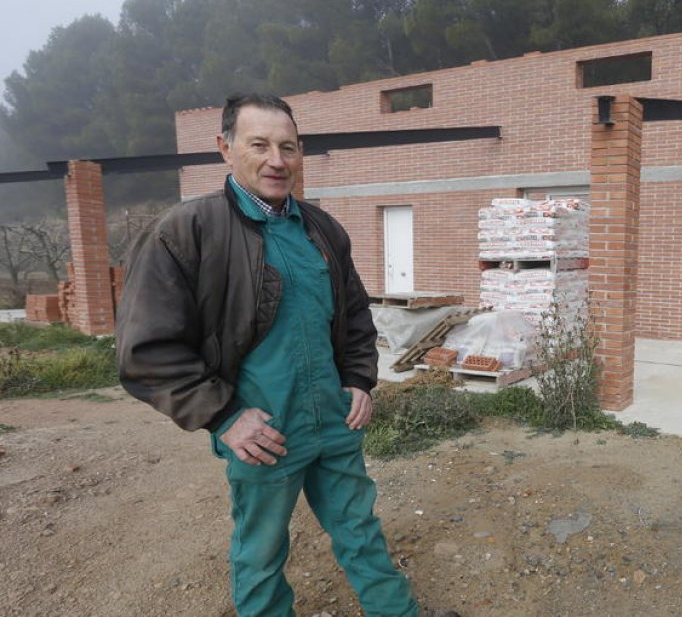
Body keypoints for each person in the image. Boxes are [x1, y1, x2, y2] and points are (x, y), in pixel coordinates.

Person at [117, 93, 454, 617]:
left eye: (288, 147)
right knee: (262, 551)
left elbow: (355, 315)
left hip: (333, 419)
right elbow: (146, 349)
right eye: (260, 145)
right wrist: (224, 416)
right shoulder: (187, 232)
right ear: (225, 148)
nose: (277, 160)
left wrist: (358, 380)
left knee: (360, 530)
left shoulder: (322, 229)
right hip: (263, 432)